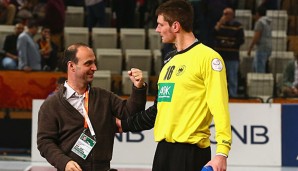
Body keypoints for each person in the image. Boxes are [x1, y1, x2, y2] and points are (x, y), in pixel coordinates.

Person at [117, 1, 232, 171]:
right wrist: (123, 124)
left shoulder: (209, 58)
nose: (157, 30)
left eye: (160, 24)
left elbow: (220, 108)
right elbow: (158, 111)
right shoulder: (169, 60)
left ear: (176, 26)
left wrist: (222, 153)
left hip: (190, 153)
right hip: (163, 152)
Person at [37, 42, 147, 171]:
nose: (94, 68)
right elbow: (45, 142)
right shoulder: (51, 105)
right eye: (88, 63)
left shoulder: (104, 97)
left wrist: (138, 88)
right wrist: (64, 163)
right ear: (72, 66)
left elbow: (130, 113)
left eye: (94, 63)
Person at [213, 7, 245, 97]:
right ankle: (218, 95)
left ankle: (233, 94)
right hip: (220, 55)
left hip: (232, 55)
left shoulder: (238, 26)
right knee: (218, 77)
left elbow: (241, 40)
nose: (225, 16)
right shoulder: (219, 25)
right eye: (224, 14)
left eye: (227, 14)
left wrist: (231, 43)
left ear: (232, 15)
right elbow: (213, 35)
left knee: (232, 77)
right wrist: (219, 24)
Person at [247, 6, 272, 73]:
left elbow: (257, 36)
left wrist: (250, 48)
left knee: (259, 69)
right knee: (255, 66)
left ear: (257, 14)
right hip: (268, 47)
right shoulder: (268, 22)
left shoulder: (260, 22)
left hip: (262, 47)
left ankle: (259, 83)